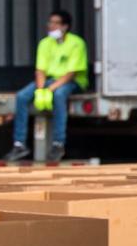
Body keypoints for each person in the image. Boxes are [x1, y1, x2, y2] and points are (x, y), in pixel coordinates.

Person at [6, 10, 88, 162]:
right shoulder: (45, 43)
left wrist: (49, 90)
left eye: (55, 23)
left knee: (59, 95)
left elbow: (71, 73)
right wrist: (41, 89)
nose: (51, 26)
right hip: (48, 81)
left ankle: (58, 143)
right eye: (50, 22)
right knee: (22, 96)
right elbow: (40, 70)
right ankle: (19, 144)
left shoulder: (76, 43)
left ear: (65, 26)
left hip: (70, 81)